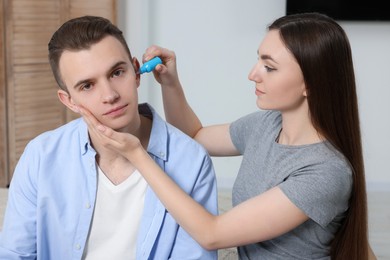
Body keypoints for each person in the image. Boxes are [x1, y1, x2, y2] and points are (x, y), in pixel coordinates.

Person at [77, 12, 379, 259]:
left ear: (309, 84)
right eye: (258, 60)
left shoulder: (325, 172)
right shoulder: (267, 126)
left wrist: (137, 156)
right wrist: (170, 83)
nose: (253, 74)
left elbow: (212, 234)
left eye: (269, 67)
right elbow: (194, 136)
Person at [0, 15, 219, 259]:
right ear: (68, 100)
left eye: (116, 73)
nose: (110, 95)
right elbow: (15, 254)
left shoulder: (192, 162)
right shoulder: (40, 156)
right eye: (87, 86)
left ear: (136, 72)